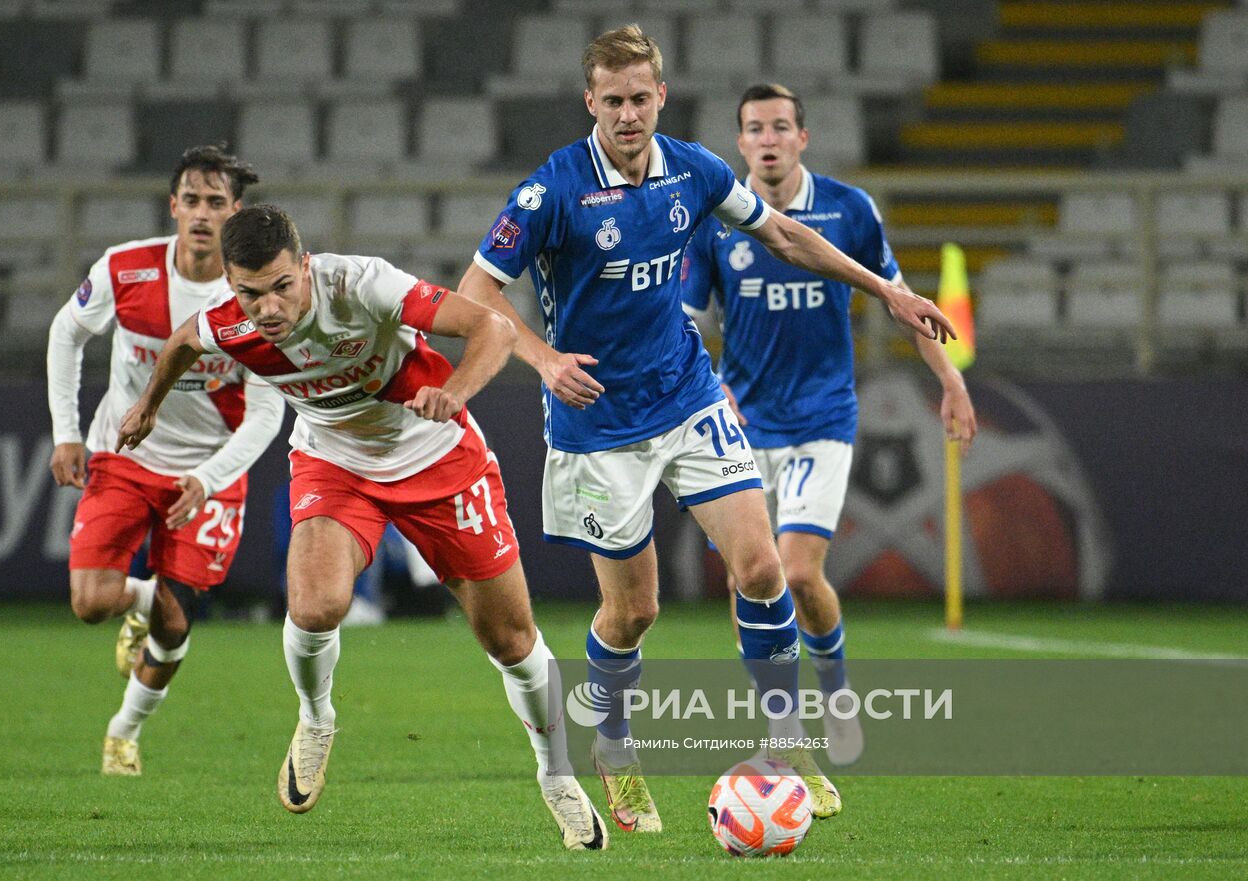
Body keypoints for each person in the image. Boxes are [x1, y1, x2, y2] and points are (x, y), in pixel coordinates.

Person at [455, 25, 956, 830]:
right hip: (599, 423)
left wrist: (887, 293)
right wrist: (544, 360)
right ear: (590, 101)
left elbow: (784, 233)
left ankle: (787, 743)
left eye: (640, 98)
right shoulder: (549, 191)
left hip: (690, 397)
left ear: (661, 95)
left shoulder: (693, 169)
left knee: (762, 569)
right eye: (611, 100)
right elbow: (473, 294)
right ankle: (614, 744)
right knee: (634, 613)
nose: (627, 114)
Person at [114, 205, 609, 851]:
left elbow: (490, 325)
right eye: (249, 292)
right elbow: (182, 341)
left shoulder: (361, 285)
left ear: (306, 266)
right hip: (335, 461)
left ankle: (557, 775)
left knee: (512, 638)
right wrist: (147, 405)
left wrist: (457, 389)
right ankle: (316, 719)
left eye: (281, 286)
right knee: (316, 605)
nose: (266, 307)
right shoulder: (231, 322)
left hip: (436, 456)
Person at [682, 84, 979, 766]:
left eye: (780, 126)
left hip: (822, 418)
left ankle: (836, 693)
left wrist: (950, 378)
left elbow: (903, 302)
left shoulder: (849, 210)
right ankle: (780, 726)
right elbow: (689, 322)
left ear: (802, 138)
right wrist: (708, 389)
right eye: (754, 127)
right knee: (747, 576)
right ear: (741, 142)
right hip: (745, 426)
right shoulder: (718, 220)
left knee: (799, 573)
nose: (767, 138)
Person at [46, 145, 285, 777]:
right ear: (172, 205)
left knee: (175, 625)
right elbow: (65, 332)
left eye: (216, 203)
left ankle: (123, 732)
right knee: (91, 602)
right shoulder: (127, 270)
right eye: (192, 200)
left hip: (207, 470)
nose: (202, 214)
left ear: (235, 213)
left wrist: (208, 480)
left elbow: (266, 412)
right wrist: (66, 432)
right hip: (126, 454)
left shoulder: (256, 296)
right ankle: (141, 597)